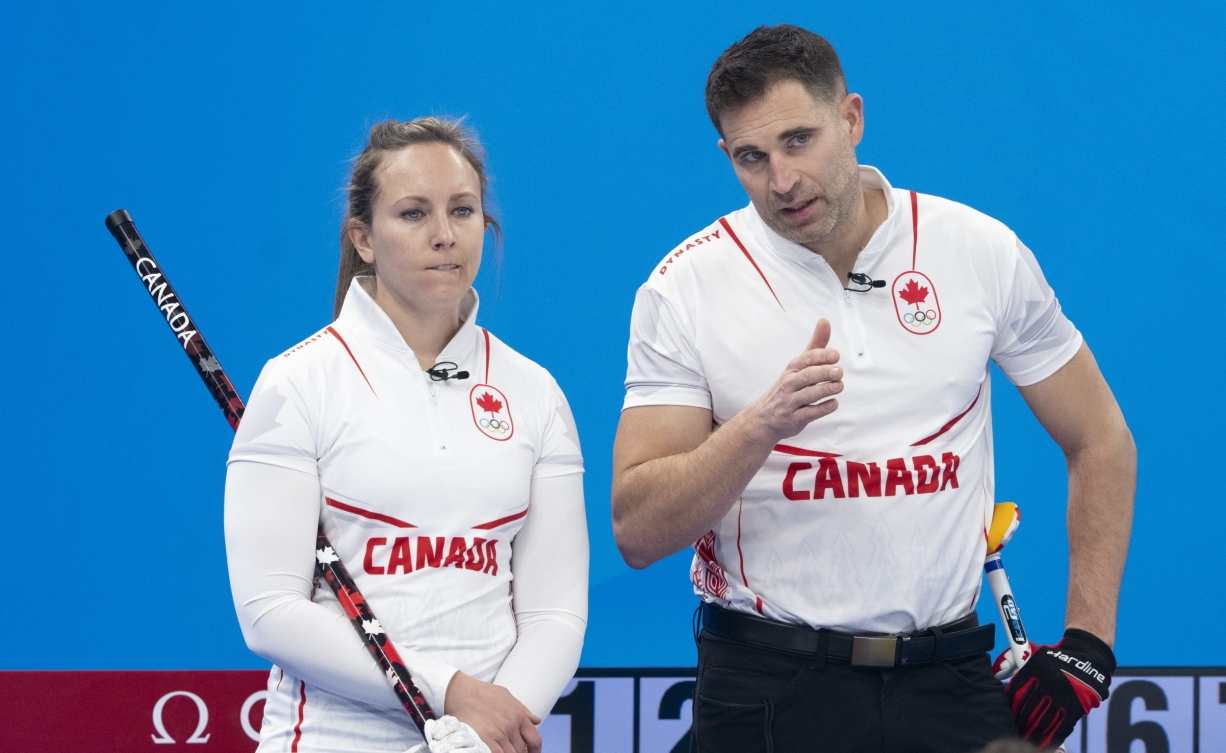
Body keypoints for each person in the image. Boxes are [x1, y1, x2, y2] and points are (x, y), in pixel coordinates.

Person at [611, 25, 1134, 753]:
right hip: (768, 683)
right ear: (726, 157)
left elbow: (1100, 435)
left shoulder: (976, 250)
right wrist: (759, 424)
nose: (783, 180)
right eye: (752, 158)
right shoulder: (685, 286)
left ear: (851, 118)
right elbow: (637, 528)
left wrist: (1087, 645)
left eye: (800, 140)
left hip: (949, 677)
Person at [224, 117, 588, 753]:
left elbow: (554, 613)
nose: (444, 236)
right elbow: (269, 613)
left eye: (462, 210)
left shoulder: (536, 394)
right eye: (414, 213)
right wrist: (451, 693)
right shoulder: (297, 383)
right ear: (363, 238)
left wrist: (489, 728)